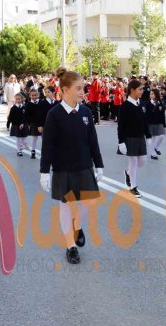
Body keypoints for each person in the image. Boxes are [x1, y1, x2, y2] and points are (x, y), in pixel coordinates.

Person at [39, 67, 104, 265]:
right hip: (63, 168)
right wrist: (44, 172)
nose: (82, 92)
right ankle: (70, 246)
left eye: (83, 88)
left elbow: (92, 140)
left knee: (88, 202)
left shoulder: (86, 112)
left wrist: (99, 165)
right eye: (78, 88)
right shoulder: (54, 114)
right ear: (65, 90)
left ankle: (77, 225)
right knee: (66, 206)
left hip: (84, 165)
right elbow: (48, 145)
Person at [117, 79, 150, 197]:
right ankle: (133, 187)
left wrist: (148, 136)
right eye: (140, 89)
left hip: (140, 137)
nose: (142, 91)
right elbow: (121, 126)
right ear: (132, 90)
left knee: (142, 161)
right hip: (129, 138)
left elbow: (145, 121)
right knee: (133, 161)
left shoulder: (142, 104)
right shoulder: (125, 106)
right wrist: (121, 142)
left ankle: (128, 172)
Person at [144, 88, 166, 160]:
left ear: (156, 95)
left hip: (159, 122)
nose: (151, 95)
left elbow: (162, 113)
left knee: (161, 136)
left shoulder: (160, 103)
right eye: (150, 94)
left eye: (152, 94)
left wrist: (163, 123)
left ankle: (156, 148)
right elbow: (146, 114)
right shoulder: (148, 104)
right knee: (152, 139)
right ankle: (153, 154)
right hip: (150, 123)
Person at [25, 88, 44, 159]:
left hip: (42, 123)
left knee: (44, 138)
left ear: (38, 95)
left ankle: (44, 153)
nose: (34, 96)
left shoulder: (41, 102)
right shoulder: (29, 104)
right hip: (34, 123)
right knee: (34, 138)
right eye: (32, 95)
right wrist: (29, 124)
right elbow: (27, 115)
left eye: (35, 95)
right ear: (30, 96)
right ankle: (33, 151)